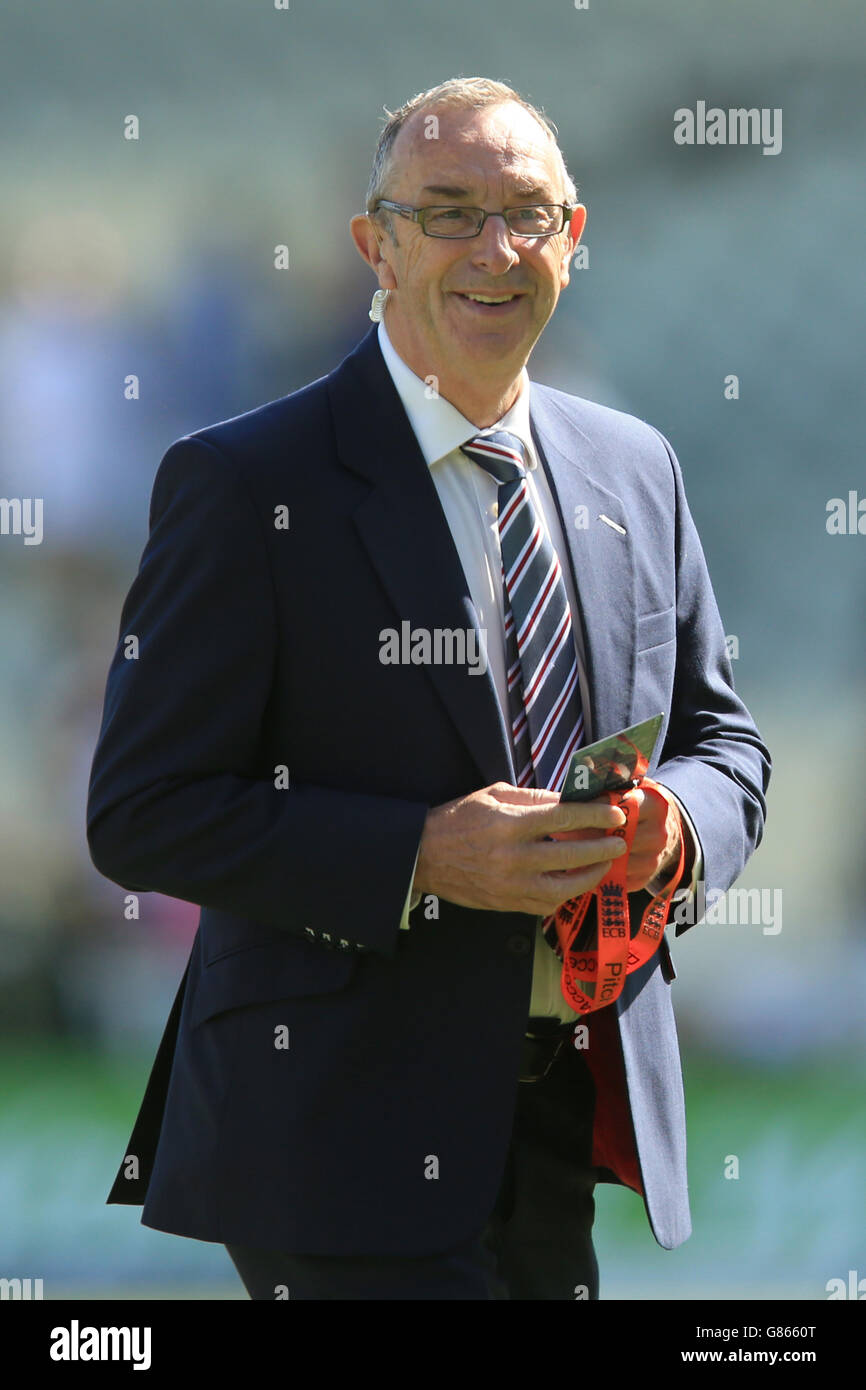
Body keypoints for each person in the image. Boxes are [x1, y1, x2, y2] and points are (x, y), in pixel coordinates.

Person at [86, 76, 771, 1301]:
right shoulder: (245, 482)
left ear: (574, 237)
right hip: (333, 1127)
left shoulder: (634, 464)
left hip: (570, 1103)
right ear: (375, 247)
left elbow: (725, 744)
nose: (493, 250)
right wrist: (421, 855)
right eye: (448, 212)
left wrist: (676, 827)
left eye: (526, 212)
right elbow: (143, 808)